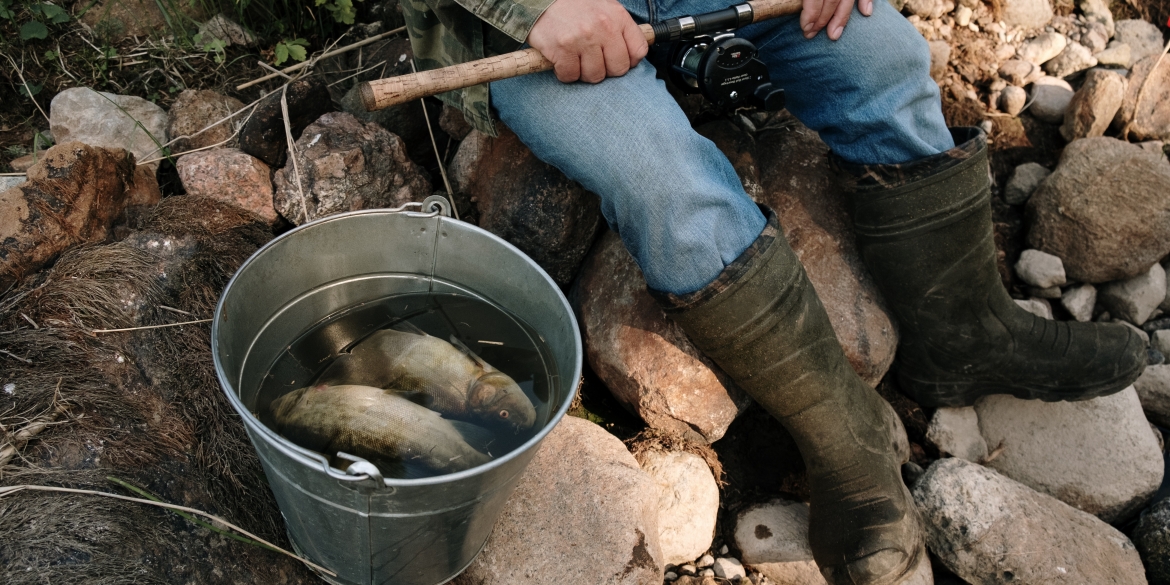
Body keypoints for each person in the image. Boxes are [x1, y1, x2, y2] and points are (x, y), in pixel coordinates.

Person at [398, 0, 1149, 581]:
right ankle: (842, 436)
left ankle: (965, 334)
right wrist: (533, 9)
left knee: (883, 61)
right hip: (550, 27)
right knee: (666, 184)